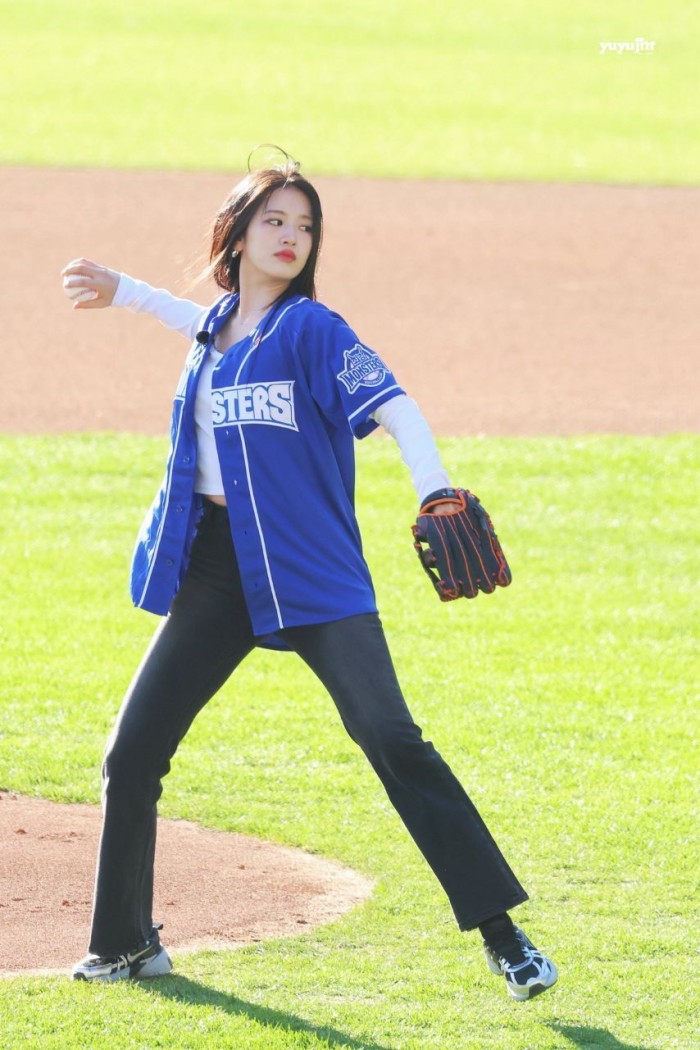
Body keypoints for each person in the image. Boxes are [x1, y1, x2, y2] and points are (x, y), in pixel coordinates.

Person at [61, 150, 557, 1001]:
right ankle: (126, 945)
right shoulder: (217, 330)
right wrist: (126, 290)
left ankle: (504, 937)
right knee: (131, 752)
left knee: (390, 738)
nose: (292, 236)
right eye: (275, 221)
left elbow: (396, 406)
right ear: (237, 235)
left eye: (305, 225)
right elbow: (200, 320)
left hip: (314, 571)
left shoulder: (315, 331)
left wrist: (434, 486)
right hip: (218, 571)